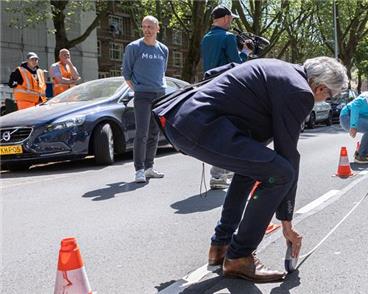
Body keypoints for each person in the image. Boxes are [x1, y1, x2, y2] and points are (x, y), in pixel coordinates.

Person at [153, 57, 348, 282]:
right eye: (328, 96)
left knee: (254, 169)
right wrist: (287, 223)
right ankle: (240, 256)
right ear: (320, 87)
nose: (324, 100)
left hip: (186, 119)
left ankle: (221, 246)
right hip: (201, 127)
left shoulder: (280, 69)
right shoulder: (300, 91)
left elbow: (217, 72)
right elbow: (287, 155)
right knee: (281, 172)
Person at [200, 5, 252, 190]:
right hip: (227, 88)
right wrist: (245, 53)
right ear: (224, 18)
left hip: (208, 87)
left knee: (218, 129)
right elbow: (236, 65)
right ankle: (219, 174)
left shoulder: (206, 38)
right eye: (230, 18)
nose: (231, 22)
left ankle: (226, 169)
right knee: (230, 129)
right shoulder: (228, 37)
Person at [122, 15, 169, 183]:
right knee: (141, 133)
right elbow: (126, 73)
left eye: (150, 27)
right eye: (144, 26)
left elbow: (162, 71)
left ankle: (149, 167)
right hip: (142, 95)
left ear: (158, 29)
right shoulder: (134, 47)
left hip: (159, 95)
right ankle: (139, 170)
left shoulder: (163, 49)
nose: (147, 30)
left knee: (154, 133)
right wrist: (139, 89)